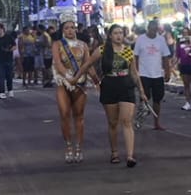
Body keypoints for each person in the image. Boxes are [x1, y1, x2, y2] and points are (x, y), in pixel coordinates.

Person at [98, 24, 142, 167]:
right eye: (116, 33)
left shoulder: (129, 51)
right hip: (109, 86)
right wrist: (78, 78)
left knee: (127, 121)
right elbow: (88, 65)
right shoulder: (102, 50)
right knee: (113, 122)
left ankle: (130, 156)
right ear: (110, 35)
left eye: (121, 33)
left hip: (126, 86)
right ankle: (114, 152)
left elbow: (134, 73)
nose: (118, 36)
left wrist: (141, 91)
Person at [52, 18, 94, 162]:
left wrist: (97, 80)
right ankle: (68, 145)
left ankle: (79, 147)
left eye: (72, 27)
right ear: (62, 30)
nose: (70, 30)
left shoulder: (83, 45)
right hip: (64, 82)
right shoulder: (57, 44)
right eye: (67, 28)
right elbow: (58, 63)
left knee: (79, 116)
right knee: (64, 114)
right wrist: (68, 77)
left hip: (80, 82)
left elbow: (88, 64)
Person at [132, 19, 173, 130]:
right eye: (152, 29)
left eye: (155, 30)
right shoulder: (141, 39)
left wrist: (167, 71)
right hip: (144, 74)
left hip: (157, 74)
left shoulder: (161, 40)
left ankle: (156, 122)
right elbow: (135, 57)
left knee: (157, 99)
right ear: (148, 28)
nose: (153, 32)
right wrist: (135, 72)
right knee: (144, 99)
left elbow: (165, 57)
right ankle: (140, 120)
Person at [0, 26, 17, 100]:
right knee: (1, 76)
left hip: (8, 60)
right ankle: (2, 92)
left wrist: (9, 50)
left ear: (3, 30)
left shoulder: (9, 37)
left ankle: (10, 90)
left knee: (9, 76)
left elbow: (14, 46)